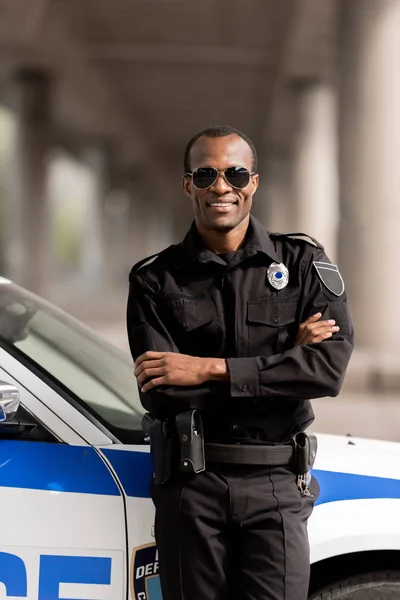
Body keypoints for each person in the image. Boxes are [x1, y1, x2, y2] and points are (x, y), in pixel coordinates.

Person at [127, 125, 354, 600]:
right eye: (206, 174)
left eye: (236, 173)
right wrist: (284, 360)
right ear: (188, 183)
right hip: (192, 488)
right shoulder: (155, 280)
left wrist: (207, 368)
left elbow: (326, 371)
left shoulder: (303, 264)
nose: (221, 187)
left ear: (254, 181)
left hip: (277, 486)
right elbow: (164, 389)